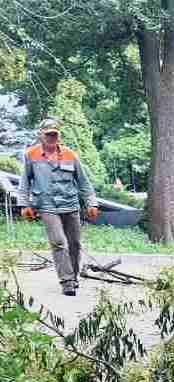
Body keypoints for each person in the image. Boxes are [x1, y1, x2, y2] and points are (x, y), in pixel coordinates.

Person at [19, 118, 98, 296]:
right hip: (47, 206)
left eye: (55, 134)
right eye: (49, 134)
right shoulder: (31, 155)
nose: (52, 137)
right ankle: (67, 281)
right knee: (58, 242)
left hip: (70, 204)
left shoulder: (70, 154)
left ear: (59, 135)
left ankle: (74, 276)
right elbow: (24, 182)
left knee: (75, 244)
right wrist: (24, 204)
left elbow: (84, 182)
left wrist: (91, 202)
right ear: (41, 135)